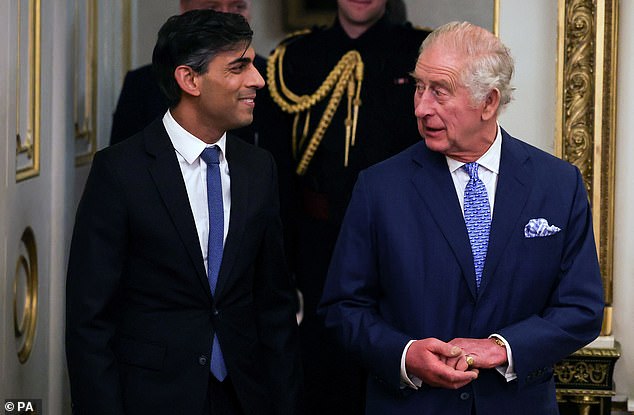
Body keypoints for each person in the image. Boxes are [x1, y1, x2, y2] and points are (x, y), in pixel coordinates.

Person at [319, 21, 604, 415]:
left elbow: (582, 309)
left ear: (488, 102)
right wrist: (405, 356)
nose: (421, 107)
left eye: (440, 92)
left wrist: (501, 347)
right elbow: (342, 308)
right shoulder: (379, 188)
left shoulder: (557, 184)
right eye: (419, 87)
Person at [66, 10, 302, 415]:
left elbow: (274, 306)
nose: (258, 80)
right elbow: (90, 322)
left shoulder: (259, 169)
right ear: (189, 80)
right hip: (153, 398)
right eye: (238, 67)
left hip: (244, 396)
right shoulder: (120, 172)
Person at [262, 0, 430, 413]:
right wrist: (283, 262)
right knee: (320, 372)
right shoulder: (293, 59)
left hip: (401, 244)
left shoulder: (422, 53)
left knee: (397, 369)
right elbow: (278, 174)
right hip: (316, 247)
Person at [109, 0, 265, 146]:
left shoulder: (274, 77)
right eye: (212, 7)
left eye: (238, 7)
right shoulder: (141, 85)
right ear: (189, 79)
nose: (226, 16)